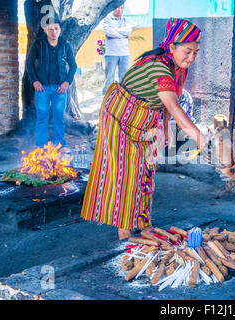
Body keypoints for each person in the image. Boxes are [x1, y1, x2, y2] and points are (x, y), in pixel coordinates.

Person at [81, 18, 208, 240]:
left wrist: (166, 128)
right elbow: (173, 104)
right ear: (172, 47)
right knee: (126, 173)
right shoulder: (158, 67)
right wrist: (198, 135)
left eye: (195, 52)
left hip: (144, 119)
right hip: (120, 116)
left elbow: (169, 100)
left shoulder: (176, 68)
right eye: (187, 51)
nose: (192, 57)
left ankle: (142, 223)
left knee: (146, 169)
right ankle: (124, 230)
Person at [26, 20, 77, 148]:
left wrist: (67, 82)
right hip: (42, 88)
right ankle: (41, 146)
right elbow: (29, 63)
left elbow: (73, 65)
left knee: (59, 117)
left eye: (56, 29)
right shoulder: (39, 44)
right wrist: (35, 81)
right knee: (42, 117)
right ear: (45, 30)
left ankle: (59, 144)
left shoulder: (65, 44)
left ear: (60, 29)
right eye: (50, 29)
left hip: (60, 88)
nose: (54, 32)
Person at [102, 5, 134, 94]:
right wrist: (123, 36)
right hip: (111, 53)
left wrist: (115, 33)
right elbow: (108, 31)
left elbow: (128, 31)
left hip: (124, 53)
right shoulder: (107, 19)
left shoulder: (126, 20)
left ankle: (123, 97)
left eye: (121, 8)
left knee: (124, 78)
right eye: (117, 7)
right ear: (113, 8)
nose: (119, 10)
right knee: (109, 78)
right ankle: (107, 98)